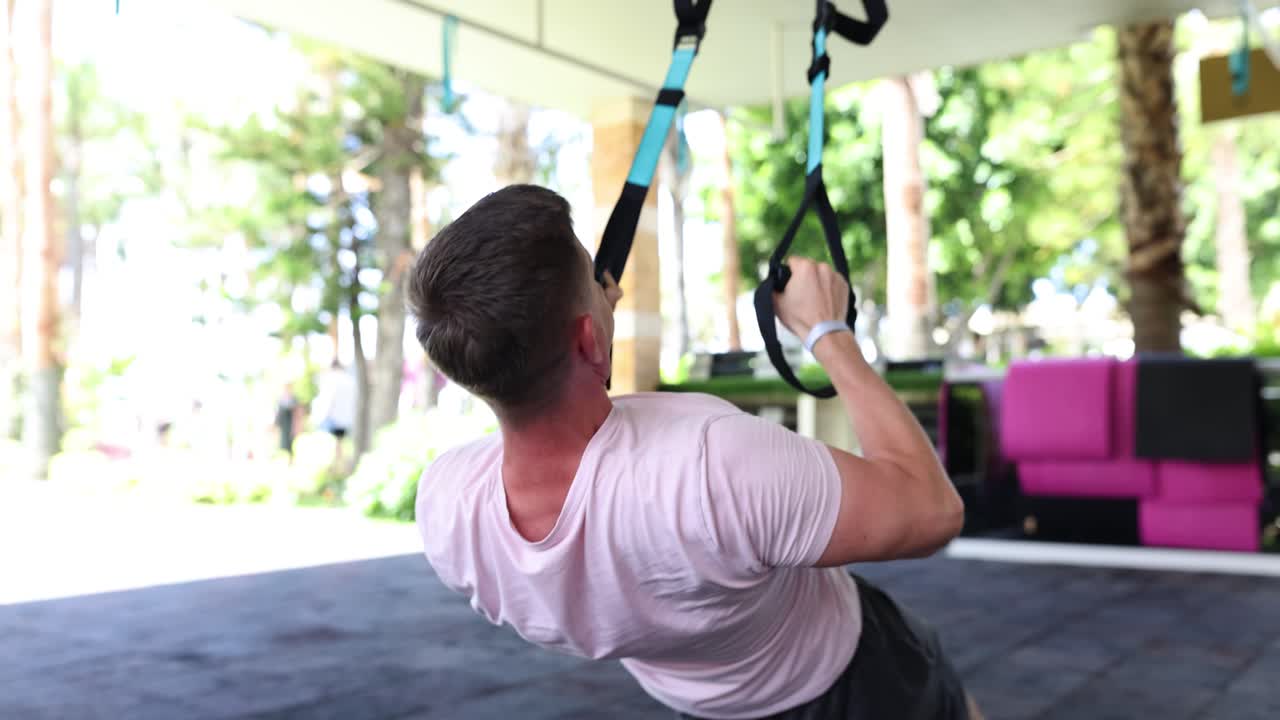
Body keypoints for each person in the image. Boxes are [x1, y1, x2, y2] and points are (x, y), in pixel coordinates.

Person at [408, 185, 981, 719]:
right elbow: (932, 509)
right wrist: (828, 332)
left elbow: (576, 425)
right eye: (592, 274)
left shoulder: (447, 507)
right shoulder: (712, 463)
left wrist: (586, 331)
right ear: (586, 338)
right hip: (848, 679)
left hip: (698, 704)